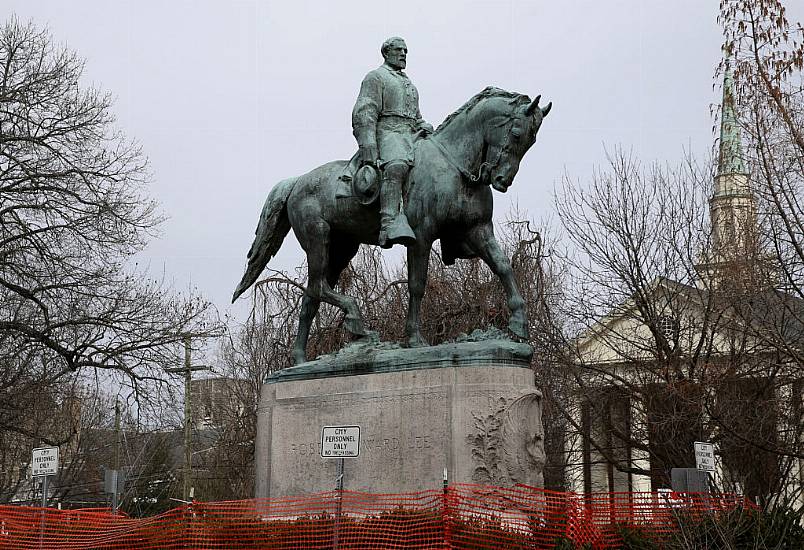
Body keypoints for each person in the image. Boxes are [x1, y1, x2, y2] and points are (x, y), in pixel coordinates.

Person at [352, 37, 434, 248]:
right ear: (386, 53)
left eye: (406, 50)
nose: (403, 53)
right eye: (399, 50)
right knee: (397, 165)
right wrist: (368, 144)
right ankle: (389, 223)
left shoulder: (409, 84)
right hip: (388, 132)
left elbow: (415, 116)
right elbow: (365, 112)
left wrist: (423, 125)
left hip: (411, 134)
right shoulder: (376, 77)